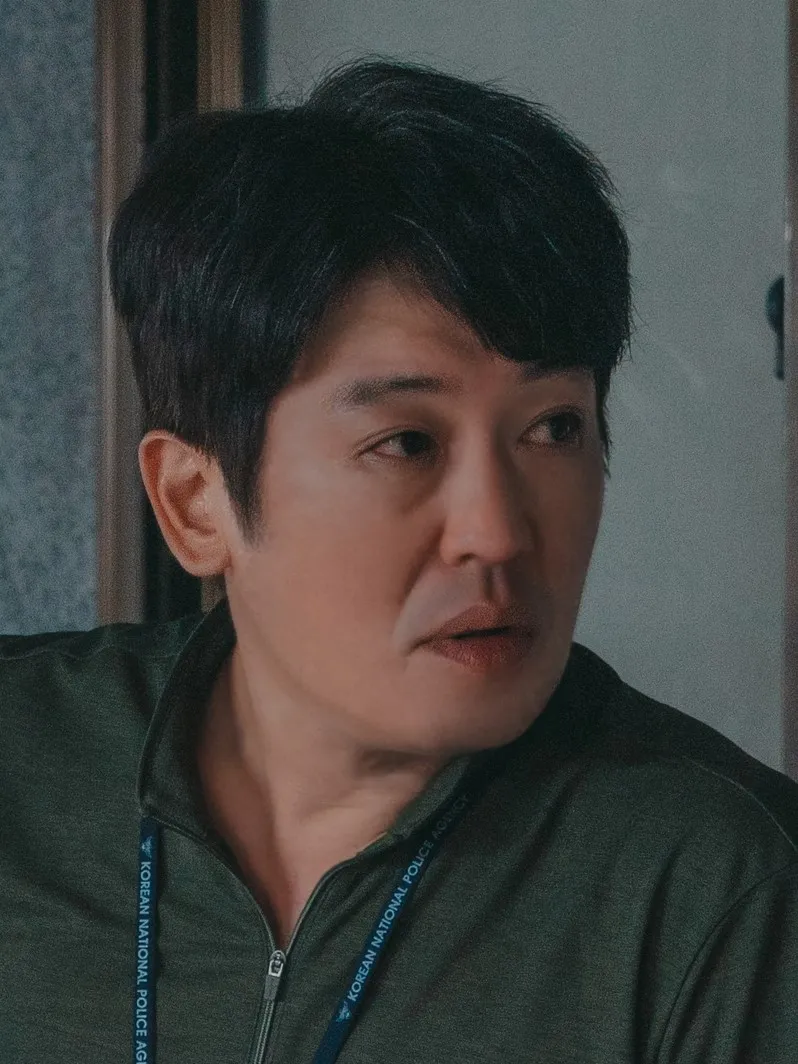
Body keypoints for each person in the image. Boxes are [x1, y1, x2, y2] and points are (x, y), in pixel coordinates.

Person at [2, 58, 797, 1064]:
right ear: (196, 502)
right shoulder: (24, 763)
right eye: (407, 442)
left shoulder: (719, 887)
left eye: (553, 427)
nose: (497, 532)